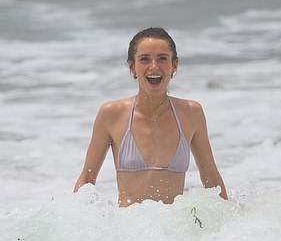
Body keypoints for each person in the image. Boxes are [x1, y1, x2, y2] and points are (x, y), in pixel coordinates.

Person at [75, 27, 227, 206]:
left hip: (175, 230)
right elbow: (86, 181)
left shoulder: (191, 113)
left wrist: (230, 228)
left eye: (162, 59)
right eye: (145, 59)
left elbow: (211, 180)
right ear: (132, 66)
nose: (154, 66)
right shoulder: (111, 114)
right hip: (127, 230)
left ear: (174, 65)